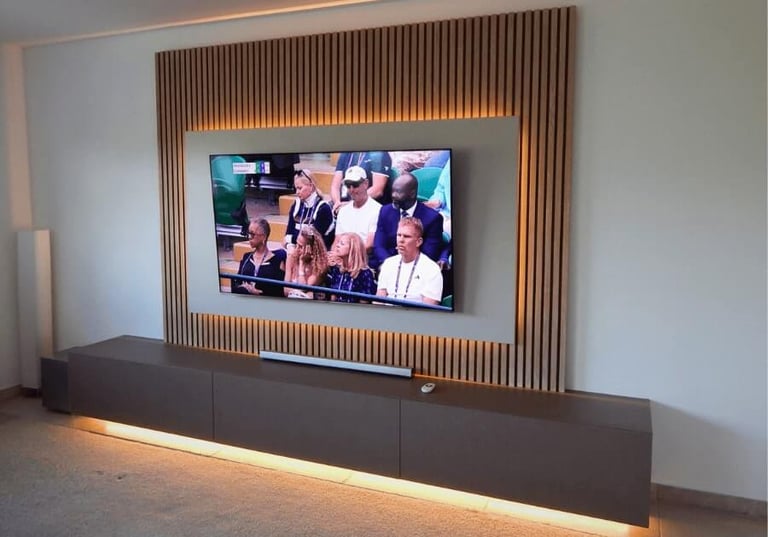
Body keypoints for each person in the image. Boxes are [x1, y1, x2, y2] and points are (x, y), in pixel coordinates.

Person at [371, 172, 444, 270]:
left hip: (416, 269)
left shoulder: (433, 218)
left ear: (412, 194)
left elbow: (429, 254)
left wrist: (404, 269)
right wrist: (391, 266)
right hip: (387, 265)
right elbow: (379, 245)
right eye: (393, 191)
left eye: (398, 192)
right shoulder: (386, 211)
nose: (394, 196)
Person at [376, 217, 443, 305]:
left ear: (418, 242)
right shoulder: (388, 264)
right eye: (399, 235)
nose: (401, 240)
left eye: (407, 236)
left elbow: (428, 310)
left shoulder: (432, 269)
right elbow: (378, 302)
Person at [231, 219, 287, 297]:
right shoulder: (246, 257)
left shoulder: (277, 260)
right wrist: (243, 288)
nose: (249, 237)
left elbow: (279, 290)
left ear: (263, 237)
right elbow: (237, 282)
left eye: (253, 234)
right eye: (248, 233)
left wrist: (258, 292)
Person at [284, 169, 335, 251]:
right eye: (296, 188)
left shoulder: (323, 208)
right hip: (299, 249)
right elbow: (288, 233)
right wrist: (289, 245)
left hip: (319, 254)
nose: (297, 192)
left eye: (300, 188)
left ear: (311, 186)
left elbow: (312, 240)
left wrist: (291, 239)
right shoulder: (296, 205)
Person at [334, 166, 382, 252]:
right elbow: (337, 240)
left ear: (366, 184)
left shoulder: (378, 210)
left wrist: (348, 254)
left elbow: (369, 245)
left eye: (355, 185)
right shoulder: (343, 211)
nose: (351, 190)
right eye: (348, 185)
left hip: (364, 259)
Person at [327, 233, 377, 303]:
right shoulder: (337, 269)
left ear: (353, 248)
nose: (337, 245)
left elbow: (364, 304)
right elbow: (333, 297)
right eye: (338, 243)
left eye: (342, 244)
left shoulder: (365, 273)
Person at [283, 225, 329, 300]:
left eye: (301, 246)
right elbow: (285, 290)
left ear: (311, 248)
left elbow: (303, 288)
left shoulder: (321, 266)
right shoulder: (291, 257)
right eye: (296, 244)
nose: (297, 249)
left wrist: (302, 263)